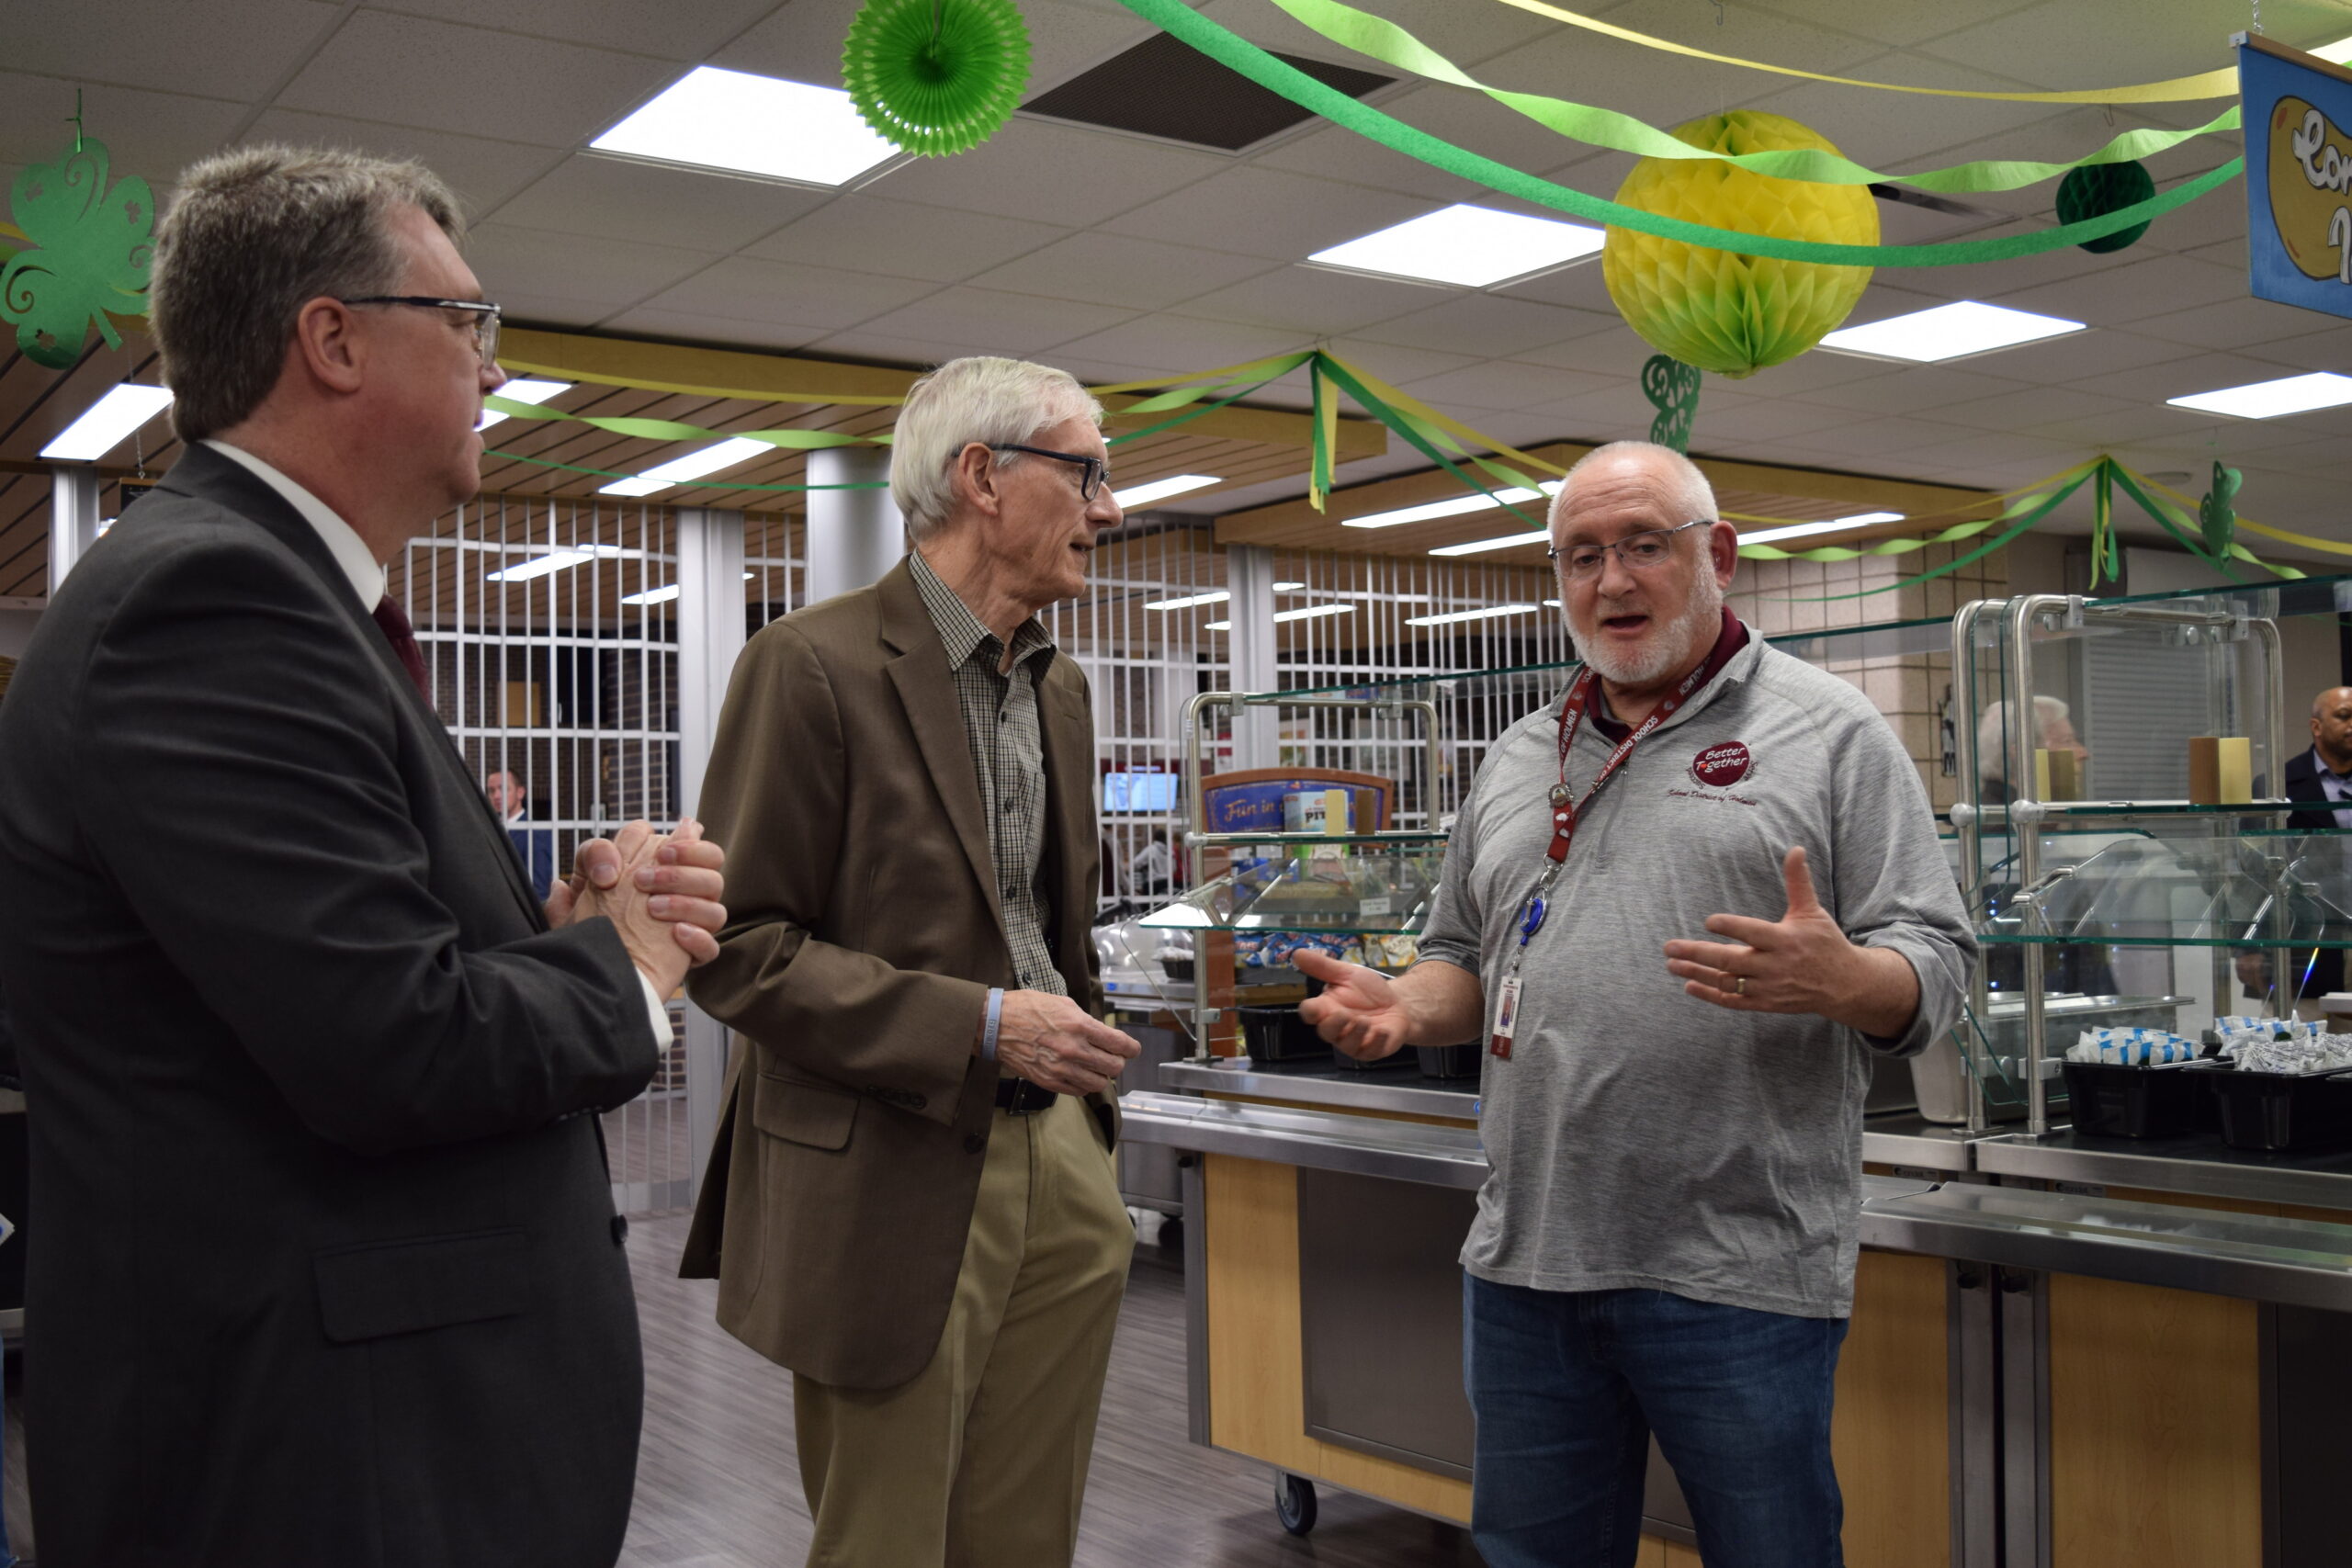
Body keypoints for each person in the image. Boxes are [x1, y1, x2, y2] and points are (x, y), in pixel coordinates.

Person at [0, 147, 729, 1568]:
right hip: (332, 1458)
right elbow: (388, 1042)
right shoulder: (214, 602)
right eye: (468, 326)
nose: (494, 372)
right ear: (332, 339)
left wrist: (557, 924)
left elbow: (330, 976)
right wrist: (625, 963)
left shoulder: (276, 596)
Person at [1295, 441, 1973, 1568]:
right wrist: (1410, 1007)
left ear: (1718, 556)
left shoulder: (1831, 732)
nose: (1611, 581)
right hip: (1527, 1264)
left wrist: (1848, 979)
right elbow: (1468, 955)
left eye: (1643, 547)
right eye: (1581, 556)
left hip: (1739, 1270)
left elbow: (1940, 964)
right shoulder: (1519, 756)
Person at [682, 355, 1141, 1567]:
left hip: (1063, 1156)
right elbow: (734, 948)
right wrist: (982, 1022)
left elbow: (1043, 924)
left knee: (1026, 1533)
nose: (1113, 505)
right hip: (889, 1168)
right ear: (983, 477)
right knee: (885, 1536)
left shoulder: (1065, 687)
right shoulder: (811, 664)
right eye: (1088, 469)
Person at [488, 765, 558, 901]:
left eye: (503, 789)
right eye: (491, 790)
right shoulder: (491, 828)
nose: (496, 796)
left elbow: (539, 890)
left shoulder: (536, 834)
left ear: (520, 792)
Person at [1128, 826, 1174, 898]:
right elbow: (1174, 868)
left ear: (1154, 838)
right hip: (1168, 883)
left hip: (1153, 884)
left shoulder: (1151, 849)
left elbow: (1136, 863)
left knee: (1147, 907)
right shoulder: (1170, 851)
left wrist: (1144, 867)